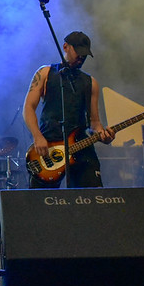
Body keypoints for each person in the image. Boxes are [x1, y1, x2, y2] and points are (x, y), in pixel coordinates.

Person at [22, 31, 115, 188]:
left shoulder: (91, 83)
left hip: (81, 147)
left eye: (84, 55)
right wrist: (37, 136)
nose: (81, 58)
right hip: (49, 148)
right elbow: (29, 107)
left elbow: (95, 123)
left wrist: (103, 136)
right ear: (65, 47)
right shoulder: (45, 73)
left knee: (93, 200)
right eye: (78, 53)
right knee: (41, 205)